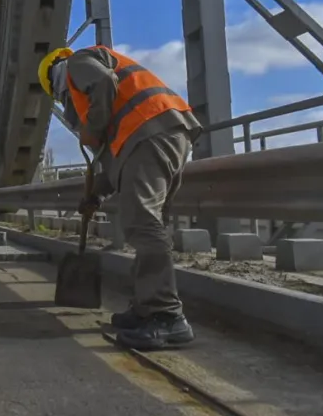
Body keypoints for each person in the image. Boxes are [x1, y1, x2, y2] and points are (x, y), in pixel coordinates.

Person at [38, 44, 202, 350]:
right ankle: (145, 308)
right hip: (159, 133)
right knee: (146, 226)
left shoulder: (76, 63)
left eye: (60, 96)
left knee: (143, 223)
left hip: (152, 132)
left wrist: (93, 128)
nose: (65, 102)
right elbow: (121, 164)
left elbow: (104, 83)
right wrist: (96, 194)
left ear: (54, 77)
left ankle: (167, 317)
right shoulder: (120, 116)